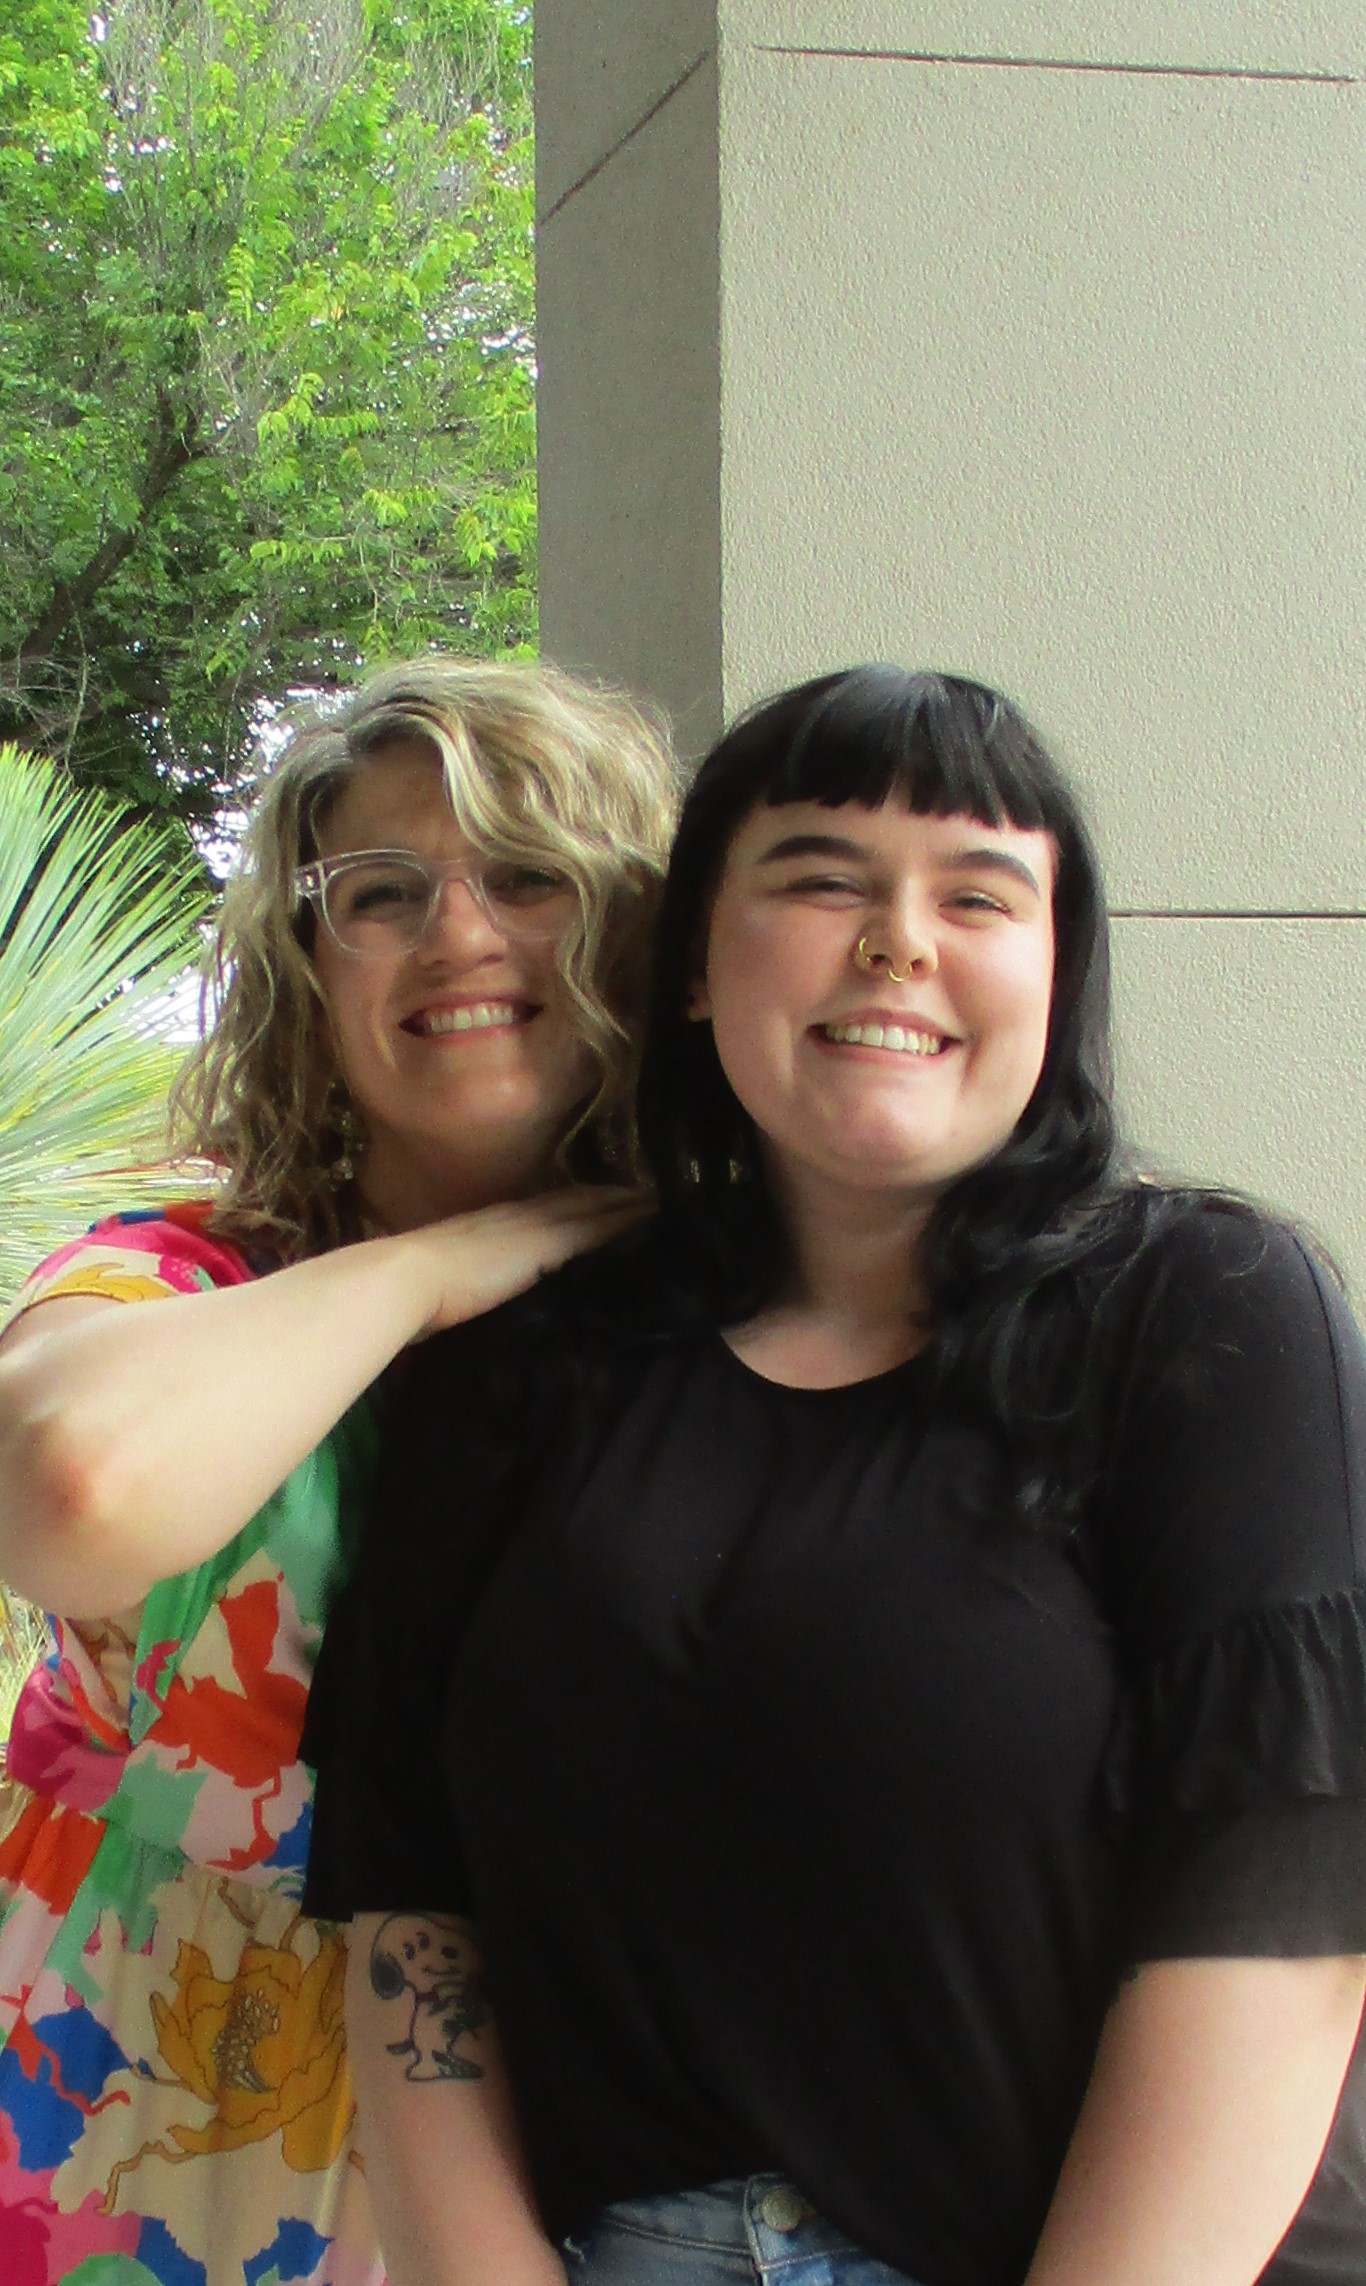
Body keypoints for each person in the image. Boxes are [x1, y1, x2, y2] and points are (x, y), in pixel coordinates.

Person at [305, 665, 1366, 2286]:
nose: (898, 942)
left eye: (978, 894)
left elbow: (1278, 1908)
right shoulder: (523, 1364)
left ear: (1055, 968)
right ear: (688, 963)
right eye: (820, 878)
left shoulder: (1205, 1312)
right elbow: (409, 1897)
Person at [0, 658, 678, 2284]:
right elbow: (66, 1488)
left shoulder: (732, 1306)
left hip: (575, 2128)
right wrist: (442, 1263)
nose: (458, 933)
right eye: (383, 891)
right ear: (309, 962)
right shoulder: (191, 1266)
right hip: (137, 2115)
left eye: (528, 875)